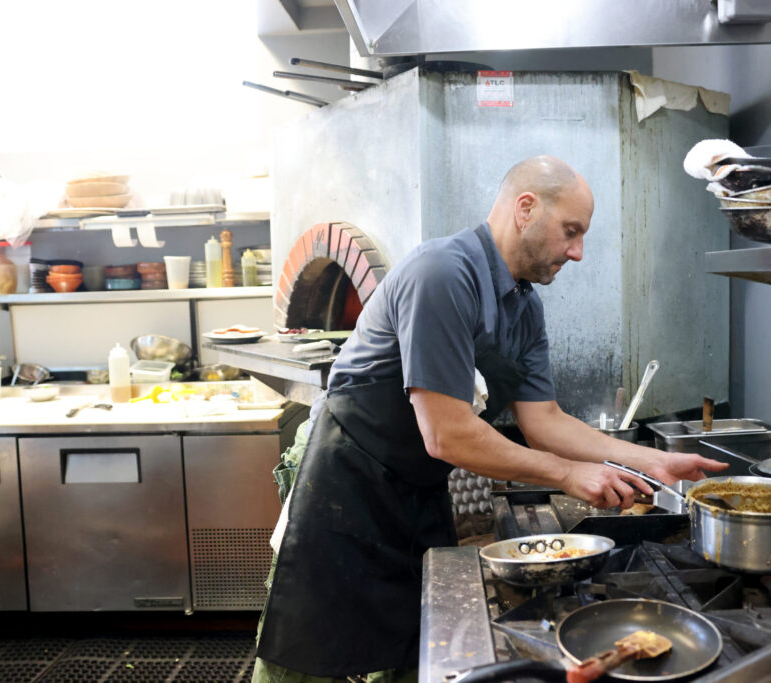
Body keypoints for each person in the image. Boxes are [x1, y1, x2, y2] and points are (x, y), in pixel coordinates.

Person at [253, 156, 727, 682]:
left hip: (415, 497)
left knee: (411, 660)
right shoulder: (442, 274)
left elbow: (545, 420)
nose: (578, 252)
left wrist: (657, 461)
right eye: (571, 231)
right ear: (526, 209)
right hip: (344, 497)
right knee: (311, 662)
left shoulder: (525, 308)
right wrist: (570, 474)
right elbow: (446, 432)